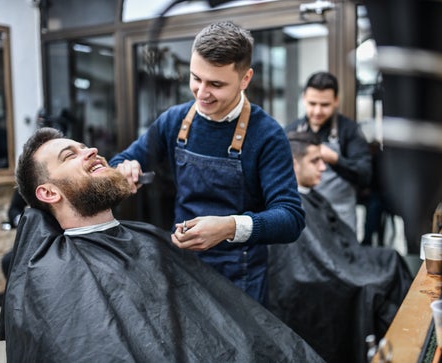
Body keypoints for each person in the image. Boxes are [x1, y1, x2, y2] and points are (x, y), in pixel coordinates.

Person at [0, 127, 324, 363]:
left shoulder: (148, 241)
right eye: (72, 155)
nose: (92, 151)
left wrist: (228, 226)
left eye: (86, 147)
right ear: (49, 193)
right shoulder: (56, 279)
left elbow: (290, 218)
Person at [109, 21, 305, 305]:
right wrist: (125, 168)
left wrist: (228, 228)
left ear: (245, 79)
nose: (201, 93)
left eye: (215, 84)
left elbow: (290, 218)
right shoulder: (174, 120)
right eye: (195, 78)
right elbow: (122, 159)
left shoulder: (267, 135)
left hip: (241, 275)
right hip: (183, 264)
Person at [267, 132, 412, 363]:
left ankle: (409, 336)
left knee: (392, 259)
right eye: (315, 161)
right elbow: (309, 264)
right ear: (292, 163)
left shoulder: (312, 196)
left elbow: (335, 246)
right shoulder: (288, 207)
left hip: (340, 263)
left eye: (322, 160)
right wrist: (355, 273)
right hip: (320, 282)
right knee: (374, 288)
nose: (323, 168)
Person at [285, 71, 372, 233]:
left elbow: (365, 174)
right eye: (312, 103)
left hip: (341, 216)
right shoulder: (291, 132)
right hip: (304, 215)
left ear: (336, 101)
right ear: (304, 98)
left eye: (324, 105)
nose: (317, 111)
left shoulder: (350, 131)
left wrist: (335, 159)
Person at [0, 189, 27, 307]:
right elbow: (14, 208)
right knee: (8, 261)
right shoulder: (28, 179)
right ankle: (16, 299)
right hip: (36, 233)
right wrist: (20, 220)